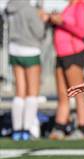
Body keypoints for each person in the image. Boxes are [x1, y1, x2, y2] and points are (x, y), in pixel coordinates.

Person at [47, 0, 84, 140]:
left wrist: (62, 22)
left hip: (74, 54)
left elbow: (82, 31)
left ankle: (81, 127)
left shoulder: (81, 6)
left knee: (78, 92)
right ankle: (60, 127)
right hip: (60, 54)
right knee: (62, 94)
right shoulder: (68, 6)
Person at [5, 0, 46, 141]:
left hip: (14, 50)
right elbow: (39, 32)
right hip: (30, 50)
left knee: (19, 92)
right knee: (32, 92)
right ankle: (26, 129)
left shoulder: (9, 8)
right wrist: (42, 19)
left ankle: (17, 130)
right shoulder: (29, 9)